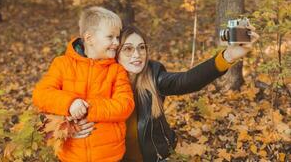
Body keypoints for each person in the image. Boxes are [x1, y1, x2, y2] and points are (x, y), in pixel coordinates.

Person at [71, 25, 259, 162]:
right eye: (128, 49)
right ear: (116, 53)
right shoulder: (98, 80)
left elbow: (187, 81)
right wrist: (71, 128)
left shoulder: (153, 74)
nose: (137, 55)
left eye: (141, 47)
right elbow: (59, 106)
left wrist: (228, 56)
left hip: (155, 156)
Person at [32, 6, 135, 162]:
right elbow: (41, 94)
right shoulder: (62, 64)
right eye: (110, 37)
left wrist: (87, 109)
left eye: (117, 37)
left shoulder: (116, 70)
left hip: (109, 155)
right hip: (71, 154)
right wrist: (71, 104)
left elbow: (125, 105)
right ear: (89, 38)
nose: (116, 42)